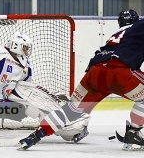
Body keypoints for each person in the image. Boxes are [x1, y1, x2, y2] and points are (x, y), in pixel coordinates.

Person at [16, 10, 144, 151]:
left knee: (70, 111)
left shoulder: (115, 36)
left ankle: (36, 135)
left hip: (95, 71)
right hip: (118, 71)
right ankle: (133, 131)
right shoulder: (137, 27)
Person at [0, 31, 90, 143]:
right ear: (16, 45)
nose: (27, 51)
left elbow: (26, 89)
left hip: (0, 104)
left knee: (30, 109)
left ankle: (66, 128)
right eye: (25, 47)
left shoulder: (26, 67)